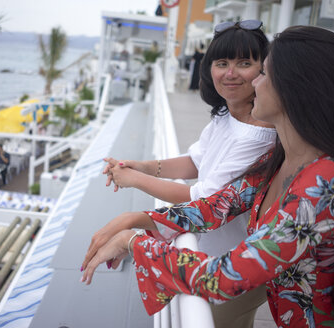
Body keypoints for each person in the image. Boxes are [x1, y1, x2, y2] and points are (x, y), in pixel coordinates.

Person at [82, 26, 334, 328]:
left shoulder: (325, 184)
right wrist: (132, 220)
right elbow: (213, 208)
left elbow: (223, 278)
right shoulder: (280, 157)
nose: (255, 83)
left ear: (295, 89)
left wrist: (133, 243)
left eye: (265, 74)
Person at [103, 20, 275, 327]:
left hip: (233, 266)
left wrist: (134, 181)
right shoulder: (226, 114)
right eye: (222, 63)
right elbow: (195, 161)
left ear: (264, 71)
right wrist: (140, 166)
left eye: (244, 63)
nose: (231, 73)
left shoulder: (258, 137)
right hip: (210, 256)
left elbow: (203, 200)